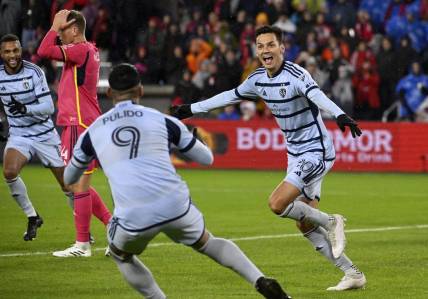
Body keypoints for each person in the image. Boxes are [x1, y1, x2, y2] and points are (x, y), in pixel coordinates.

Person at [63, 63, 291, 299]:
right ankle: (259, 280)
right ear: (140, 90)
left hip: (133, 214)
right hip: (174, 203)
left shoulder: (94, 131)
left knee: (121, 254)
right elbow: (206, 159)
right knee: (207, 242)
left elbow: (70, 177)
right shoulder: (163, 121)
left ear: (109, 94)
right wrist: (191, 142)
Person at [172, 25, 367, 291]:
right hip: (295, 153)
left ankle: (332, 221)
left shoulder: (297, 74)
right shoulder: (256, 79)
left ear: (282, 48)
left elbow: (317, 95)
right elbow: (229, 96)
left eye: (271, 45)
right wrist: (191, 109)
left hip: (316, 150)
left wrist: (340, 114)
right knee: (303, 223)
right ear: (257, 50)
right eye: (261, 46)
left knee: (277, 204)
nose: (266, 50)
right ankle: (352, 273)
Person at [37, 9, 111, 257]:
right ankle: (113, 228)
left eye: (65, 29)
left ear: (75, 29)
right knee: (80, 183)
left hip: (78, 123)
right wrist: (58, 27)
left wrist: (53, 27)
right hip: (83, 123)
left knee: (76, 184)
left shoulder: (80, 50)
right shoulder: (88, 50)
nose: (61, 34)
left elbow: (43, 51)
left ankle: (82, 245)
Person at [0, 34, 71, 241]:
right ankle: (33, 216)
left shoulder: (35, 72)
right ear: (1, 54)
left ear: (20, 50)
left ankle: (83, 231)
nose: (12, 55)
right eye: (7, 51)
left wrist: (25, 108)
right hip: (19, 135)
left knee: (67, 185)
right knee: (9, 172)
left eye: (15, 50)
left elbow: (49, 107)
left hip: (45, 134)